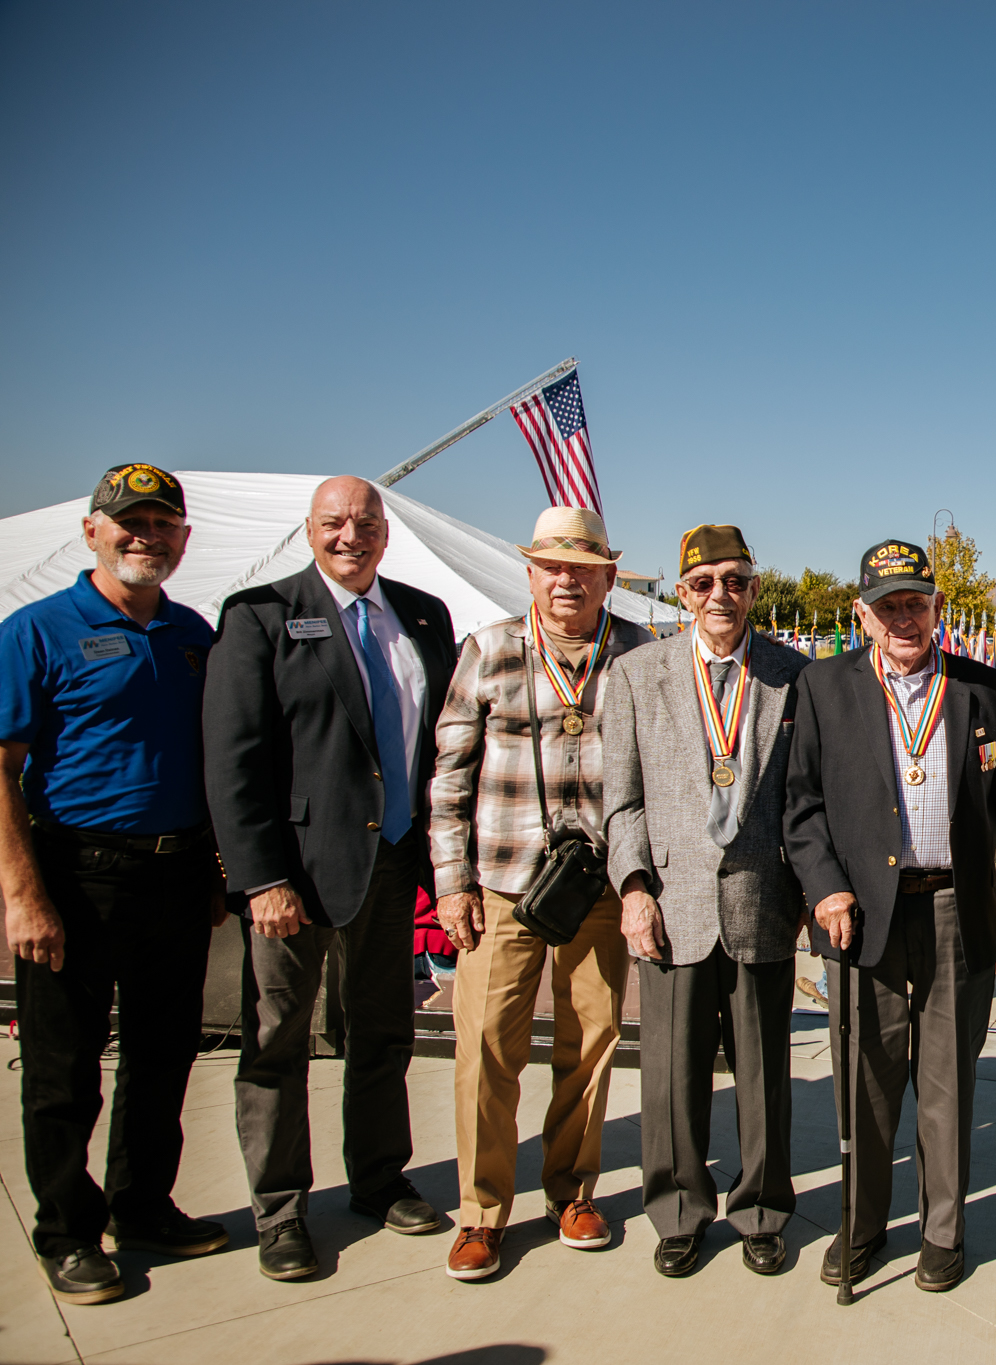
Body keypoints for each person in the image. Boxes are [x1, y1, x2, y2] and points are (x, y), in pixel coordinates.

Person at [204, 475, 458, 1281]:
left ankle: (380, 1177)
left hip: (393, 868)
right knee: (278, 1044)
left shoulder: (423, 615)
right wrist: (260, 879)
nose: (352, 535)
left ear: (387, 532)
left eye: (367, 522)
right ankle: (280, 1209)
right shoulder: (262, 617)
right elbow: (235, 761)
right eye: (335, 522)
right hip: (298, 880)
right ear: (309, 530)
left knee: (382, 1032)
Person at [1, 466, 230, 1305]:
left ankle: (142, 1205)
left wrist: (210, 869)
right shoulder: (37, 630)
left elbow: (209, 761)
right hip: (74, 874)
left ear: (182, 539)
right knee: (64, 1068)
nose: (146, 537)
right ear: (91, 529)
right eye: (128, 522)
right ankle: (66, 1229)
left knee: (163, 1054)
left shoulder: (193, 634)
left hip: (173, 874)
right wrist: (23, 895)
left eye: (162, 525)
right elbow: (2, 766)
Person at [783, 539, 996, 1293]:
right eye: (888, 606)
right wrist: (824, 887)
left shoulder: (988, 688)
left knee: (948, 1081)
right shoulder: (823, 686)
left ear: (937, 607)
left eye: (916, 602)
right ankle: (861, 1222)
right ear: (863, 614)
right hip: (861, 913)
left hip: (955, 906)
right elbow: (800, 806)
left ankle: (942, 1232)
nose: (904, 617)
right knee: (867, 1077)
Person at [428, 507, 651, 1281]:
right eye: (553, 565)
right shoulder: (489, 650)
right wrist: (450, 886)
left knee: (589, 1047)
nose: (567, 579)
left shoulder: (636, 651)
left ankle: (573, 1191)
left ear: (608, 575)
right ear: (530, 573)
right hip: (503, 884)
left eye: (583, 566)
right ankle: (482, 1211)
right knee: (488, 1048)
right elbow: (449, 778)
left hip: (598, 882)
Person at [605, 524, 810, 1280]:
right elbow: (620, 800)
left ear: (756, 588)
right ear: (681, 593)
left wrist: (804, 892)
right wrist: (632, 888)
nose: (719, 595)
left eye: (735, 580)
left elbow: (805, 799)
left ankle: (761, 1208)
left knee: (763, 1075)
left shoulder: (795, 675)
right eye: (703, 582)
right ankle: (680, 1210)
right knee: (670, 1076)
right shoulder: (635, 674)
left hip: (762, 901)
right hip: (670, 902)